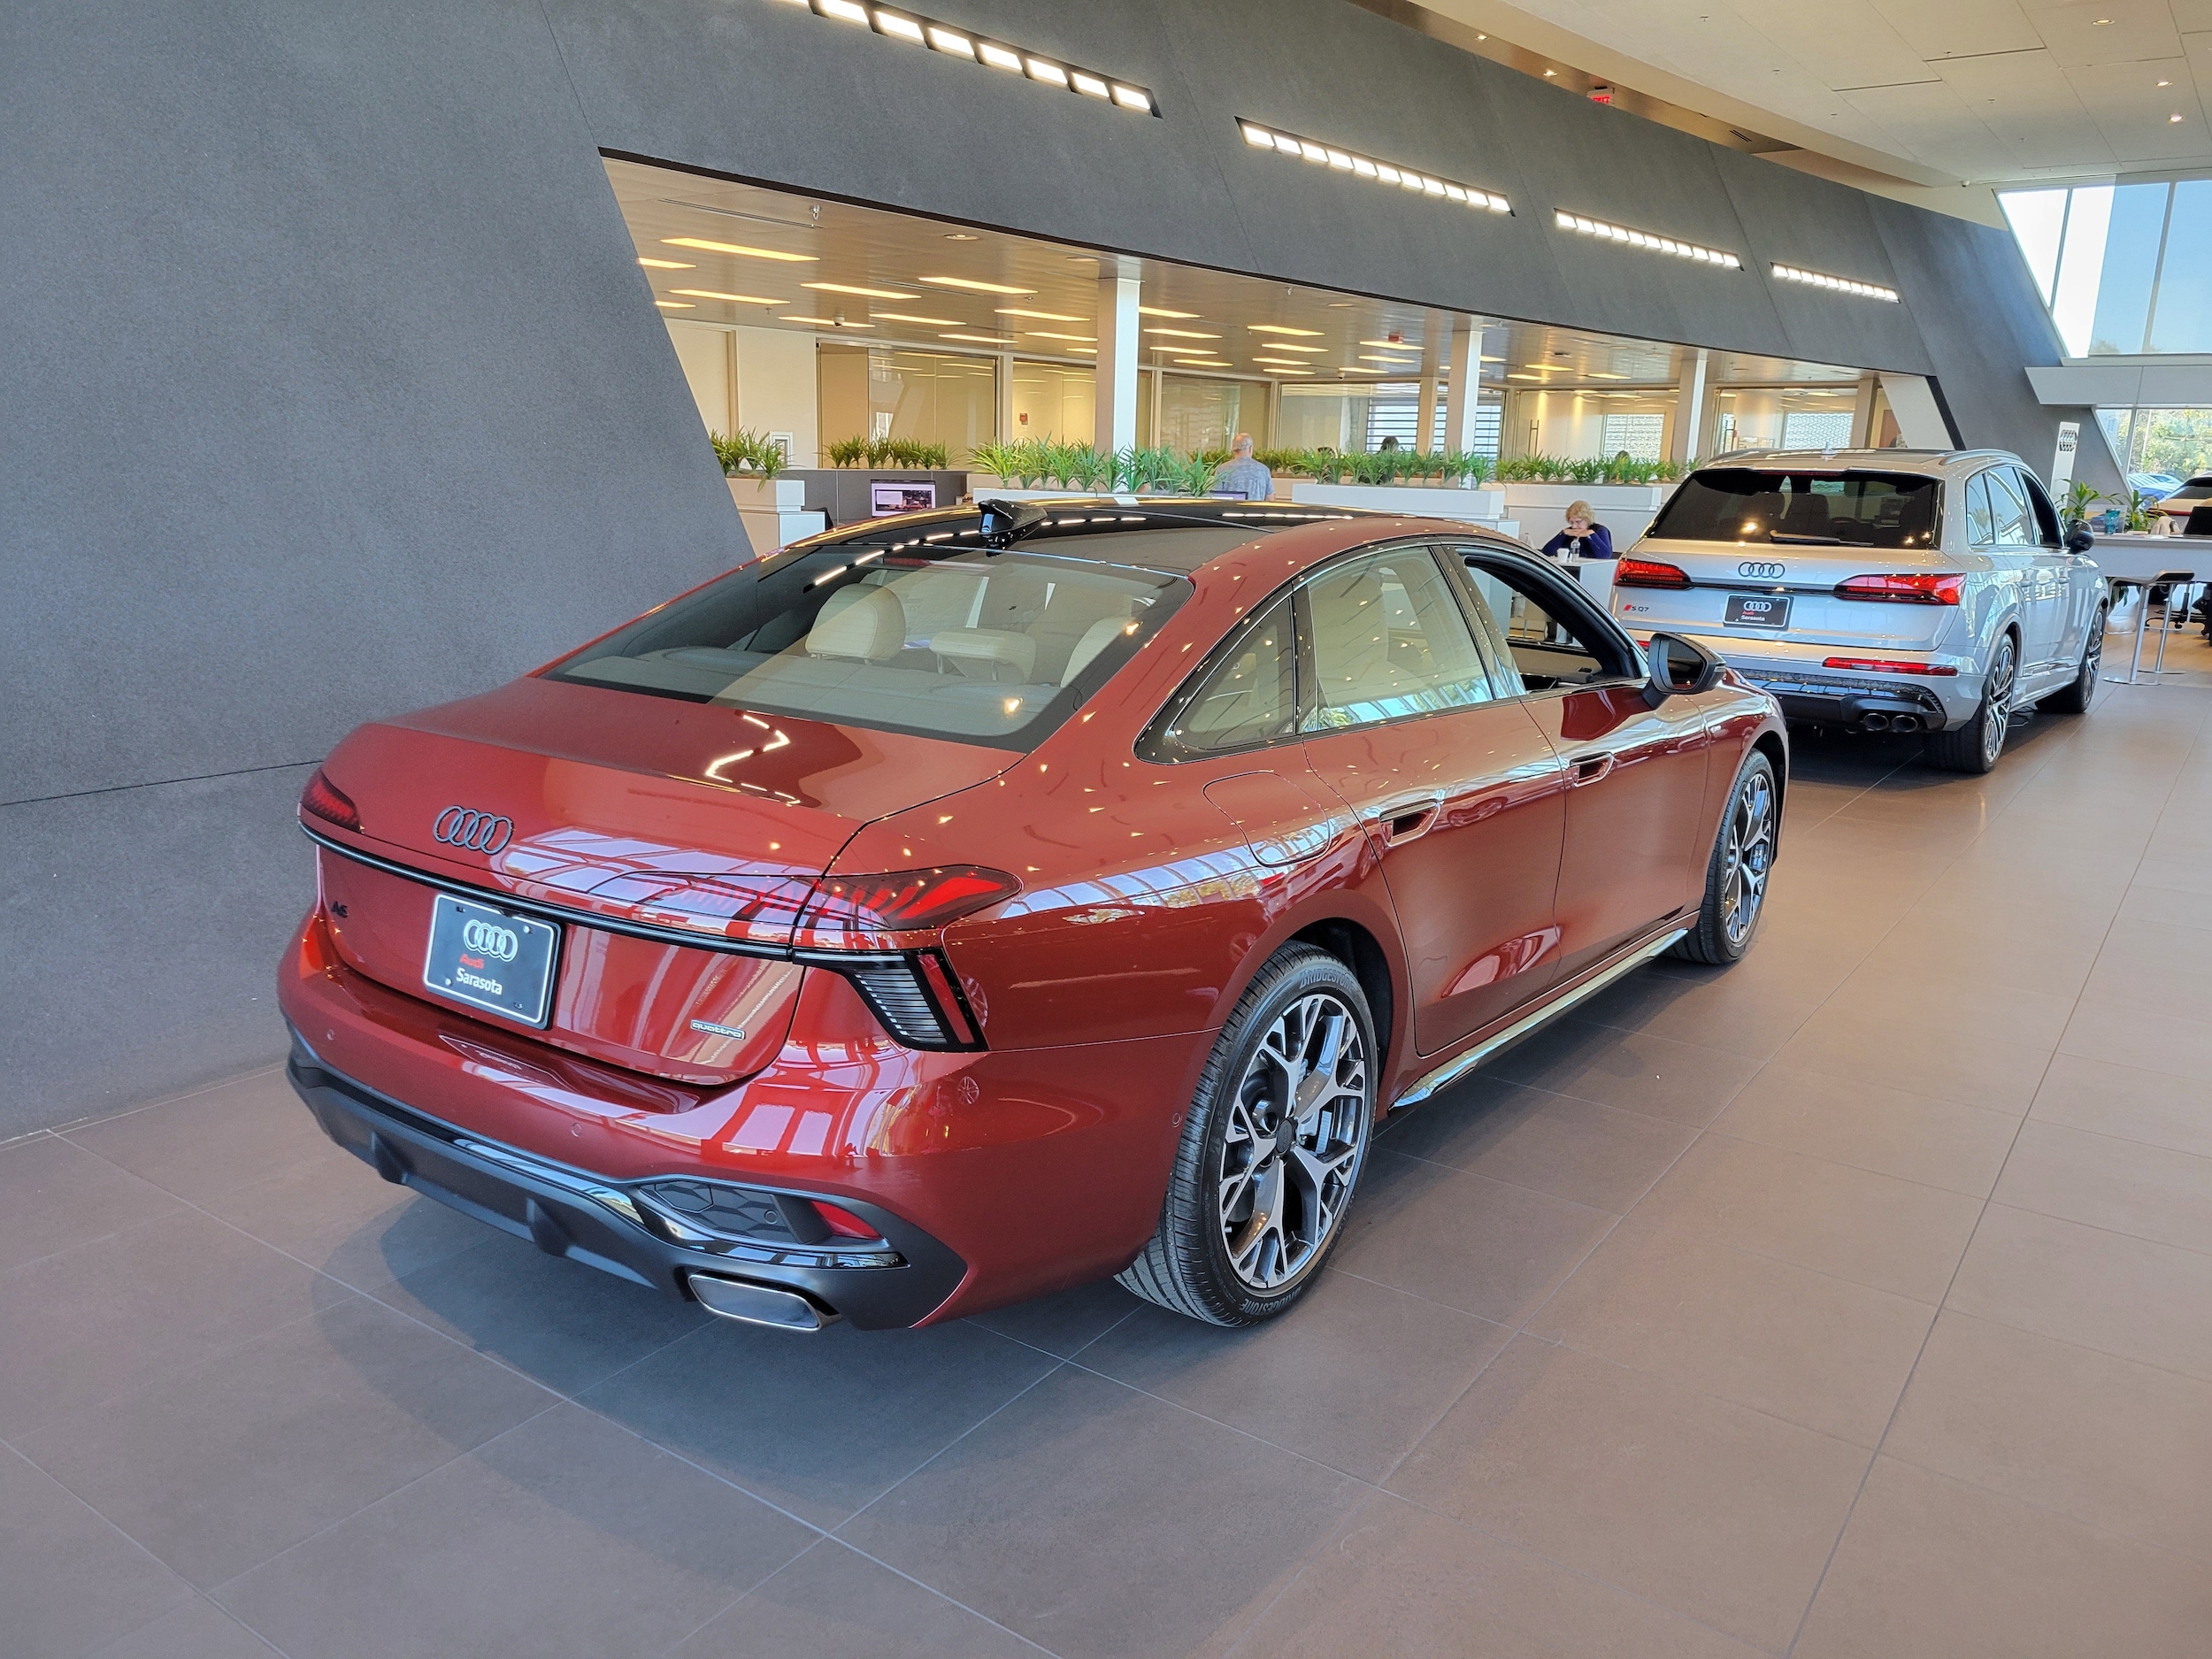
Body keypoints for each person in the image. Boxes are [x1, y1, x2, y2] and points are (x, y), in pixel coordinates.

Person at [1540, 500, 1613, 560]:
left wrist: (1592, 536)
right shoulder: (1568, 532)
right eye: (1572, 522)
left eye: (1578, 522)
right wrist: (1561, 535)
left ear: (1587, 519)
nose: (1574, 526)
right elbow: (1547, 552)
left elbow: (1605, 556)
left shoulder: (1600, 530)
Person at [1210, 433, 1272, 502]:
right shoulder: (1264, 470)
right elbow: (1270, 499)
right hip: (1256, 509)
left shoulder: (1222, 469)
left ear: (1233, 450)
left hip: (1230, 508)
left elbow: (1215, 497)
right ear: (1250, 448)